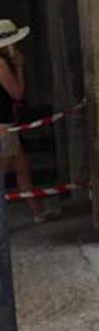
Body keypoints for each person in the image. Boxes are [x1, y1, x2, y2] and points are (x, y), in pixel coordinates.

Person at [0, 19, 45, 222]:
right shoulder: (0, 64)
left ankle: (38, 212)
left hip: (7, 125)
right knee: (8, 170)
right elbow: (17, 93)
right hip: (3, 127)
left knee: (22, 168)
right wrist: (19, 68)